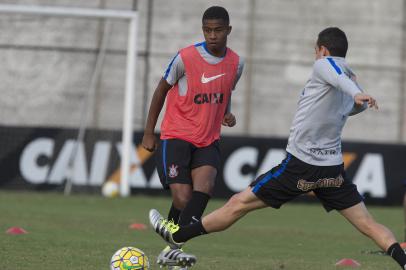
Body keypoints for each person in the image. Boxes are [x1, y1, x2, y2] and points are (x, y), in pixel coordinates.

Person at [149, 27, 406, 269]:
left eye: (316, 51)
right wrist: (356, 99)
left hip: (300, 167)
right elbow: (354, 105)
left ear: (323, 50)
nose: (316, 56)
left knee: (238, 204)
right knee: (368, 224)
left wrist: (355, 94)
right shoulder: (351, 77)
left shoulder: (328, 68)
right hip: (332, 171)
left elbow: (338, 78)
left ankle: (178, 236)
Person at [142, 6, 244, 269]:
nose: (212, 35)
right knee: (183, 199)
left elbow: (225, 90)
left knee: (205, 189)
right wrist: (148, 131)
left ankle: (171, 247)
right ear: (203, 30)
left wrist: (227, 113)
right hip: (176, 135)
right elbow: (160, 91)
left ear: (228, 30)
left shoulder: (236, 63)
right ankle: (172, 241)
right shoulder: (185, 57)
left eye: (218, 30)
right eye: (208, 30)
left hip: (208, 139)